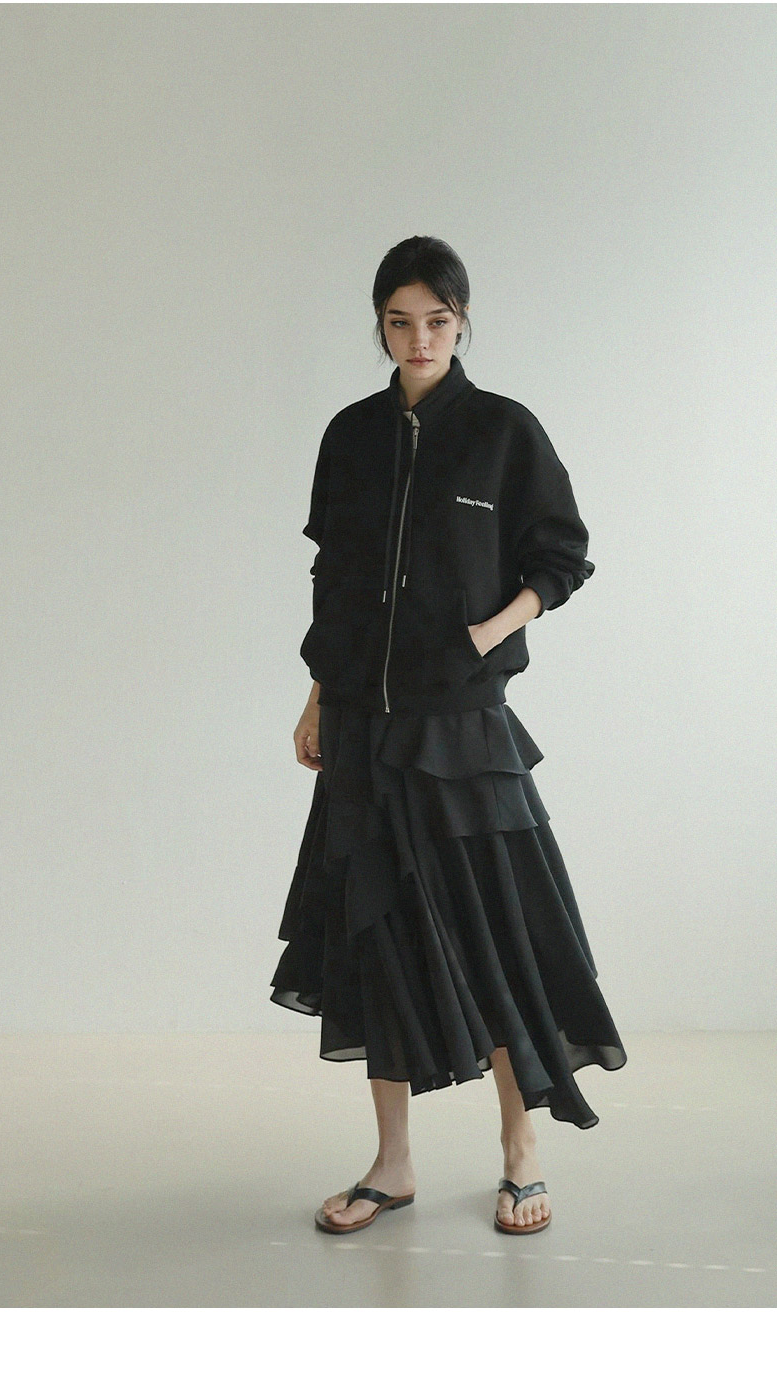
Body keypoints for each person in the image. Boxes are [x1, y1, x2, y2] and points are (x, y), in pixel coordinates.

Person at [270, 235, 627, 1236]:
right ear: (380, 328)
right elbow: (335, 579)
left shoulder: (503, 431)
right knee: (375, 939)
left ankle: (521, 1153)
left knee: (496, 939)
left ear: (462, 322)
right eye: (399, 322)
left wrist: (487, 631)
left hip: (463, 728)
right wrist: (316, 697)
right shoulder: (351, 436)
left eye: (436, 319)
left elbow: (562, 556)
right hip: (361, 725)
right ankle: (392, 1164)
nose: (418, 338)